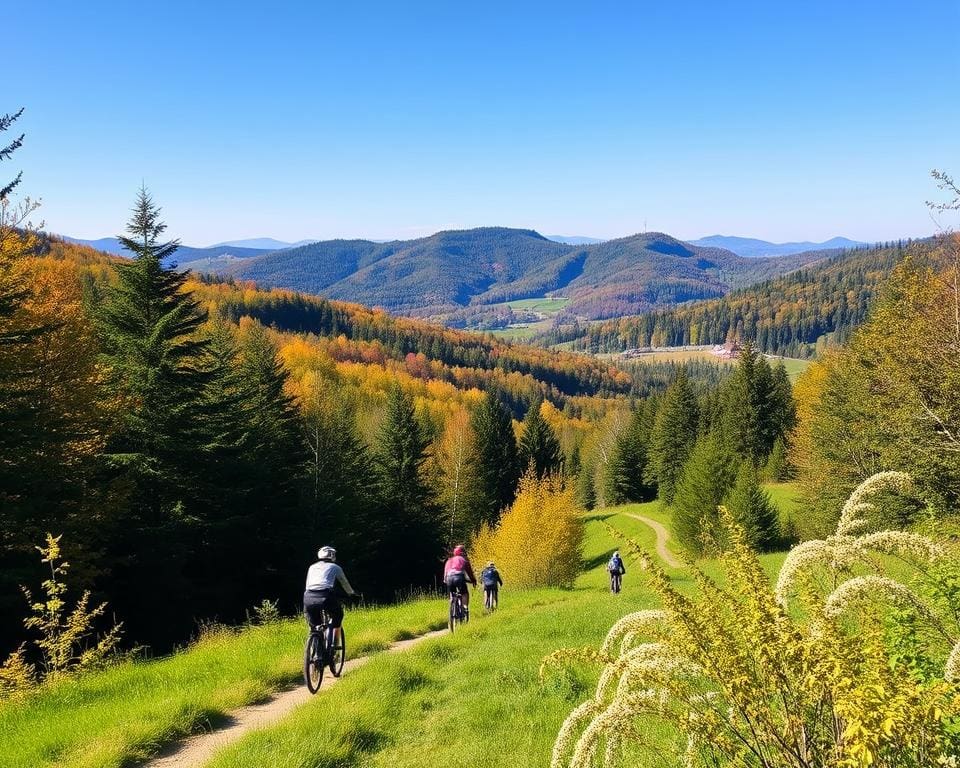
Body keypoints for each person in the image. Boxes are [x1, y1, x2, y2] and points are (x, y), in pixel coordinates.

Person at [304, 546, 357, 644]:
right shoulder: (335, 567)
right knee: (338, 615)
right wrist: (352, 594)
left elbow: (308, 584)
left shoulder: (312, 567)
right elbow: (344, 582)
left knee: (314, 626)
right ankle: (334, 642)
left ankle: (314, 651)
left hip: (308, 596)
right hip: (325, 595)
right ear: (332, 556)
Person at [443, 544, 477, 618]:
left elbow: (445, 573)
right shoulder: (464, 559)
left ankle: (452, 604)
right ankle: (465, 608)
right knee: (464, 593)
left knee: (452, 594)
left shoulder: (449, 560)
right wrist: (473, 580)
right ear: (463, 553)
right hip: (459, 577)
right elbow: (469, 572)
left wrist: (445, 580)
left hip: (449, 578)